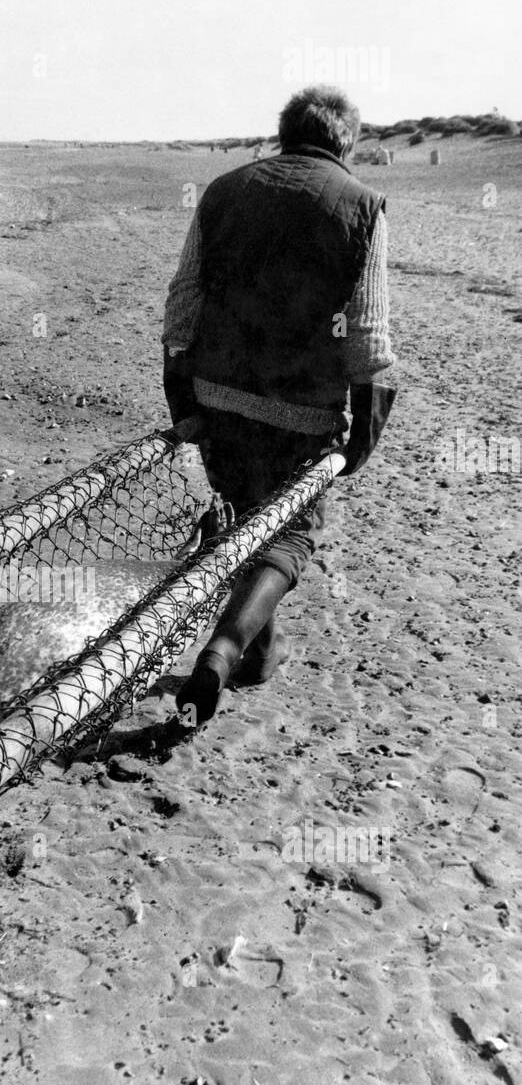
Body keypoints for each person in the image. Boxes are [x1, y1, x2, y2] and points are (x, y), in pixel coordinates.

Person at [163, 85, 397, 722]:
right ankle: (226, 649)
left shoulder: (223, 190)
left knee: (244, 518)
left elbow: (183, 300)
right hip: (302, 413)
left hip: (217, 395)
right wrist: (361, 439)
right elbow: (368, 330)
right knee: (289, 535)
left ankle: (257, 655)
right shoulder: (363, 204)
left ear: (284, 130)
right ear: (345, 141)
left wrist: (182, 396)